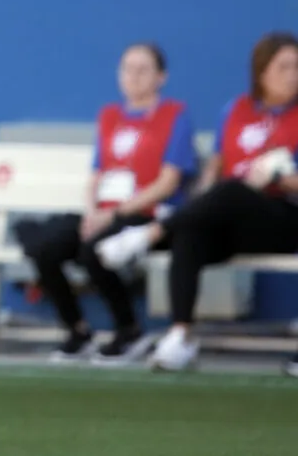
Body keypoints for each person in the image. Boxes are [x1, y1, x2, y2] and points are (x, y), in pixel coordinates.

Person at [98, 32, 298, 375]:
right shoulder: (235, 110)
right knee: (193, 228)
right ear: (262, 71)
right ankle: (180, 336)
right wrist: (207, 198)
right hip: (234, 216)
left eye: (296, 67)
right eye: (283, 67)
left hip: (285, 216)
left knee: (234, 190)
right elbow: (215, 167)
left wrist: (279, 175)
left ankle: (148, 235)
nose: (292, 74)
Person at [13, 43, 197, 363]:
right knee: (45, 246)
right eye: (127, 69)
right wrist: (91, 212)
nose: (134, 77)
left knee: (93, 251)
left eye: (143, 70)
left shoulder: (174, 116)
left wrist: (113, 213)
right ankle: (78, 330)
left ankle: (129, 330)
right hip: (103, 213)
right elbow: (96, 174)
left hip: (144, 214)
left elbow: (168, 183)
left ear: (161, 77)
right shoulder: (110, 116)